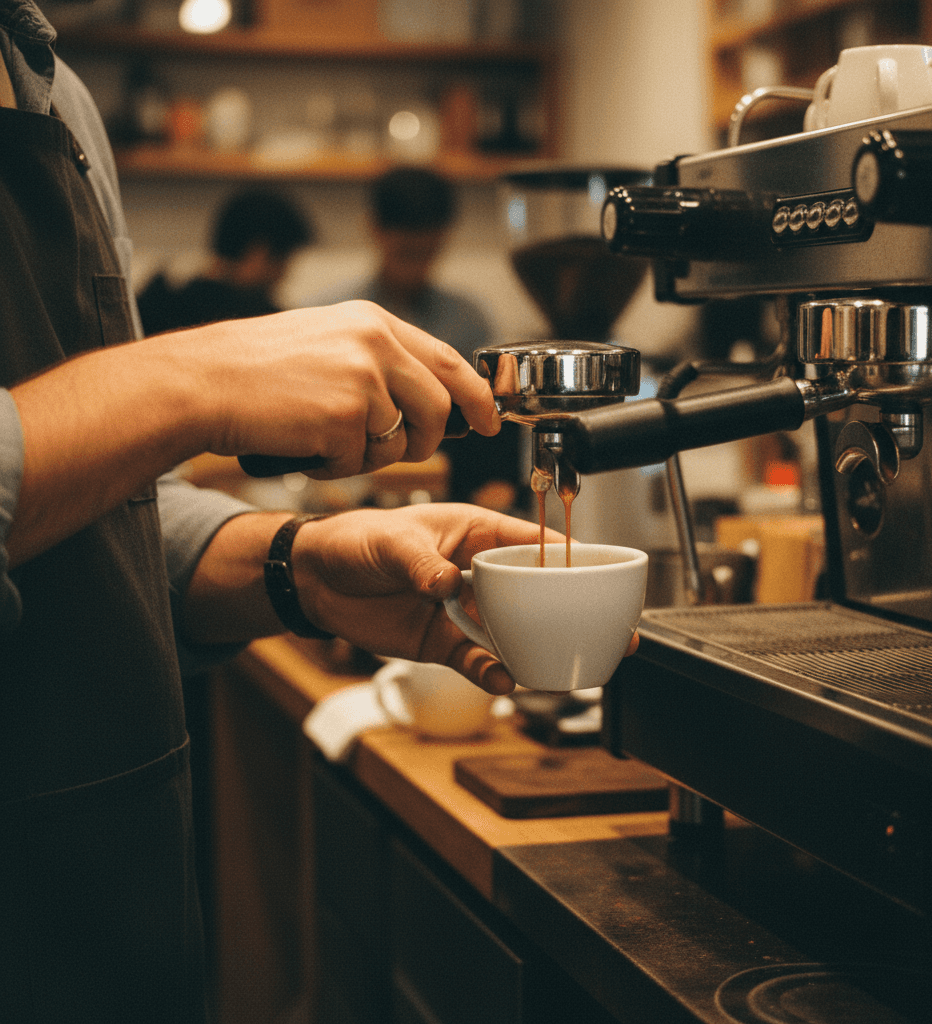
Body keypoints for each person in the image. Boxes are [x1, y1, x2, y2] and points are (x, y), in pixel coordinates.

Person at [0, 5, 558, 1020]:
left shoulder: (60, 97)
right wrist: (186, 380)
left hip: (119, 913)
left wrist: (293, 565)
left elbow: (108, 519)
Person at [310, 164, 526, 511]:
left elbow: (495, 419)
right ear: (373, 229)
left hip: (451, 498)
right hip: (351, 494)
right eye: (405, 254)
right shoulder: (331, 315)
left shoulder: (469, 320)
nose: (415, 268)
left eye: (426, 254)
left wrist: (498, 482)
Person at [136, 187, 314, 334]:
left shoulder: (155, 303)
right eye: (283, 261)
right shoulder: (267, 323)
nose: (283, 276)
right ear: (258, 254)